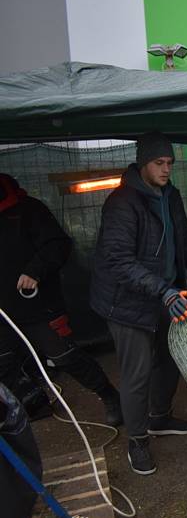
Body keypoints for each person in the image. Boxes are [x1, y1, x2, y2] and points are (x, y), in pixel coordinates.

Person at [90, 132, 187, 475]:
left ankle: (160, 417)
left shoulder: (171, 196)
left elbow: (183, 237)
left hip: (162, 294)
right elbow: (119, 261)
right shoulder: (122, 202)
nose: (166, 169)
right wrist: (165, 291)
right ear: (143, 163)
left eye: (170, 163)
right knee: (136, 373)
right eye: (159, 163)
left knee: (170, 356)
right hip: (126, 302)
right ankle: (137, 441)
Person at [0, 173, 122, 426]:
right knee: (5, 362)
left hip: (37, 306)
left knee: (65, 356)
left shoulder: (29, 210)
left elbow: (59, 245)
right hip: (3, 312)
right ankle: (33, 402)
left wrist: (35, 270)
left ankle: (109, 395)